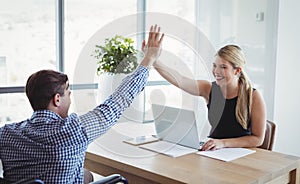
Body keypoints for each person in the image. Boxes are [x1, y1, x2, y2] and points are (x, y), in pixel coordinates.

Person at [0, 25, 164, 183]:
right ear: (57, 99)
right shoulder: (73, 130)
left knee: (87, 175)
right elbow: (118, 101)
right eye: (68, 93)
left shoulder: (6, 134)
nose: (70, 98)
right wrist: (149, 58)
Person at [150, 44, 266, 151]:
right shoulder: (209, 88)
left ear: (237, 70)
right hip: (214, 152)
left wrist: (223, 143)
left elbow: (258, 139)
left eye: (223, 67)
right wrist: (154, 61)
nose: (216, 71)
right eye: (215, 65)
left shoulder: (253, 96)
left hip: (241, 155)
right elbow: (180, 80)